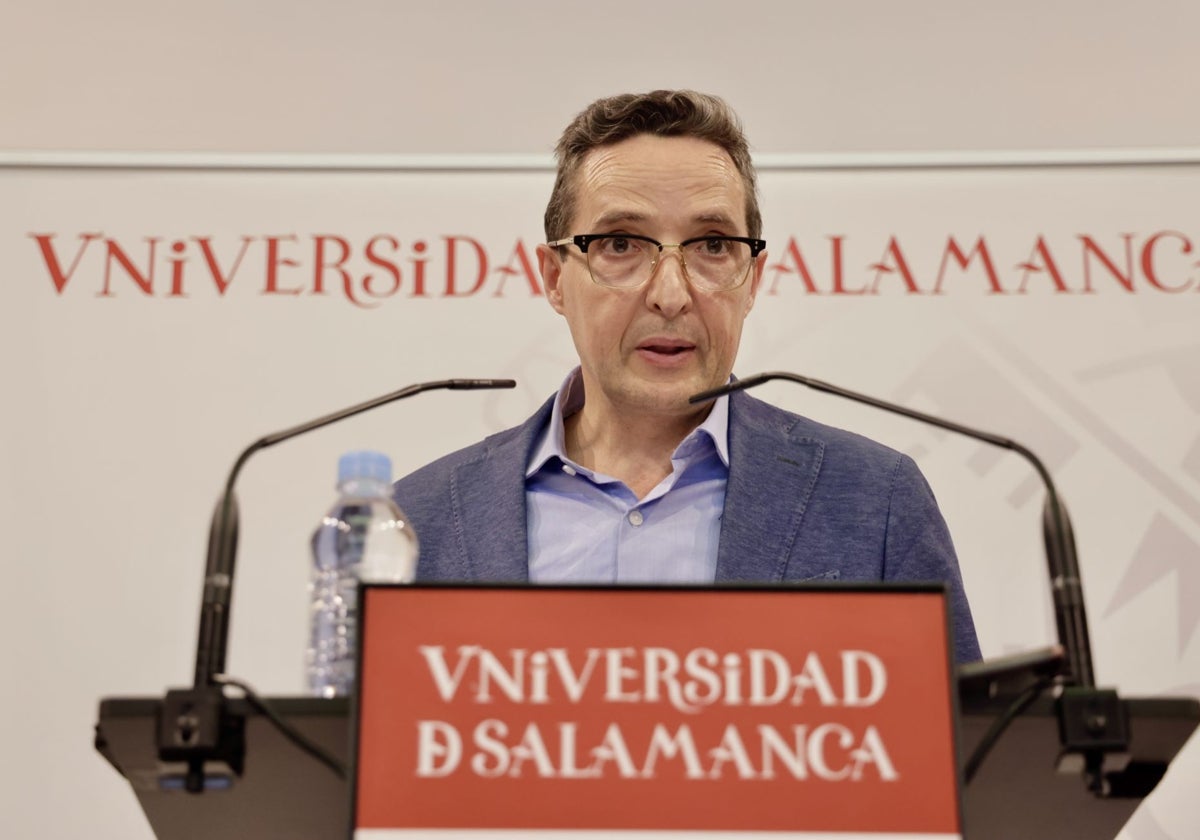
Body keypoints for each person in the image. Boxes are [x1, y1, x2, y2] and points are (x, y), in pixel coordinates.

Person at [393, 89, 981, 663]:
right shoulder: (422, 517)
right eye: (620, 243)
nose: (671, 295)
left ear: (751, 279)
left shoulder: (875, 499)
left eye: (713, 244)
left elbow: (959, 752)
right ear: (553, 277)